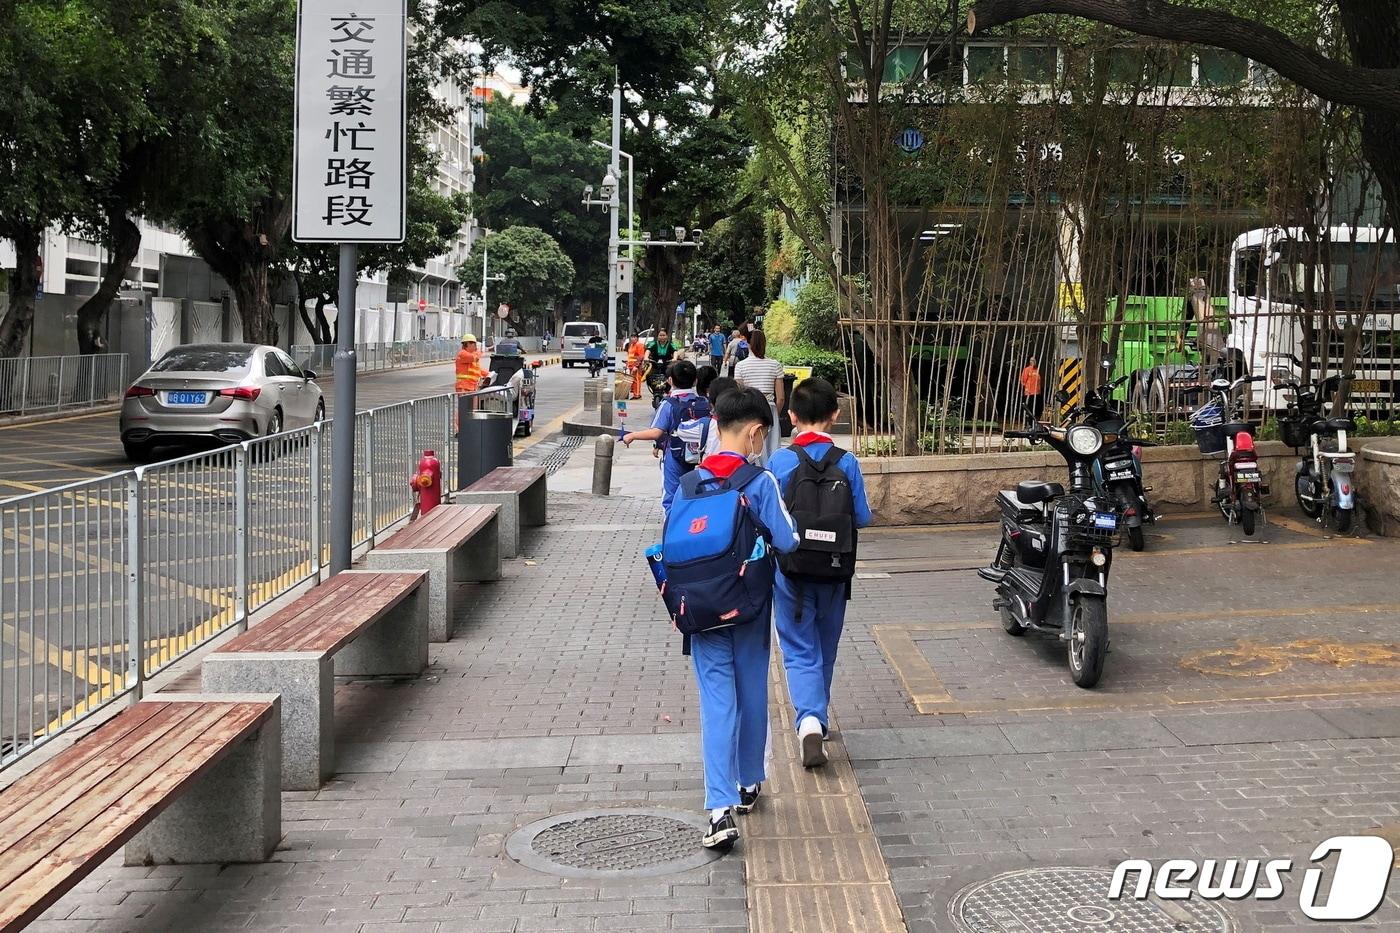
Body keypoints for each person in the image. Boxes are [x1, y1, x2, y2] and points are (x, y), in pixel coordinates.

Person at [684, 387, 799, 848]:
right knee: (751, 692)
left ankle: (718, 810)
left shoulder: (690, 482)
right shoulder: (759, 481)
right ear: (755, 432)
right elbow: (787, 540)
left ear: (716, 424)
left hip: (701, 609)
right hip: (749, 606)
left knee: (717, 702)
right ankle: (748, 781)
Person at [767, 378, 872, 769]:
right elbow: (863, 517)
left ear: (792, 416)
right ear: (836, 414)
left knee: (799, 648)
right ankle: (819, 718)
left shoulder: (780, 462)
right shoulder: (848, 462)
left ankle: (809, 721)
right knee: (825, 645)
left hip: (790, 572)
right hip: (834, 570)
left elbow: (768, 519)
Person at [621, 359, 707, 512]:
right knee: (697, 495)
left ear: (670, 380)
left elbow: (656, 432)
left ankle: (672, 524)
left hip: (675, 456)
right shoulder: (704, 402)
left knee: (671, 497)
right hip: (702, 456)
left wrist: (633, 435)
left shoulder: (668, 404)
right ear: (695, 381)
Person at [733, 328, 786, 464]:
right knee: (772, 447)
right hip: (770, 407)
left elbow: (739, 393)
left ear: (748, 344)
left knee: (751, 447)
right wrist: (774, 415)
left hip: (749, 409)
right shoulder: (775, 365)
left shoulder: (740, 366)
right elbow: (781, 398)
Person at [703, 376, 738, 458]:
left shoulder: (706, 424)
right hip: (737, 464)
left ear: (711, 403)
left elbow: (681, 429)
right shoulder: (745, 423)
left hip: (710, 464)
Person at [1019, 356, 1042, 425]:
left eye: (1034, 360)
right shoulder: (1027, 369)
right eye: (1031, 360)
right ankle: (1028, 423)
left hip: (1036, 393)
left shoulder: (1037, 370)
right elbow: (1023, 381)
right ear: (1029, 361)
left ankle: (1033, 423)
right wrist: (1026, 389)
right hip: (1029, 393)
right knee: (1029, 408)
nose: (1033, 362)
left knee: (1035, 409)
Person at [627, 334, 648, 399]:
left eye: (634, 337)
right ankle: (635, 394)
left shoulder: (639, 345)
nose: (633, 338)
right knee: (633, 380)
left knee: (637, 380)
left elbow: (641, 356)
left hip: (636, 366)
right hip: (631, 365)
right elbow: (630, 356)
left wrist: (636, 366)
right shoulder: (631, 345)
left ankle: (637, 395)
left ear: (637, 338)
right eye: (632, 337)